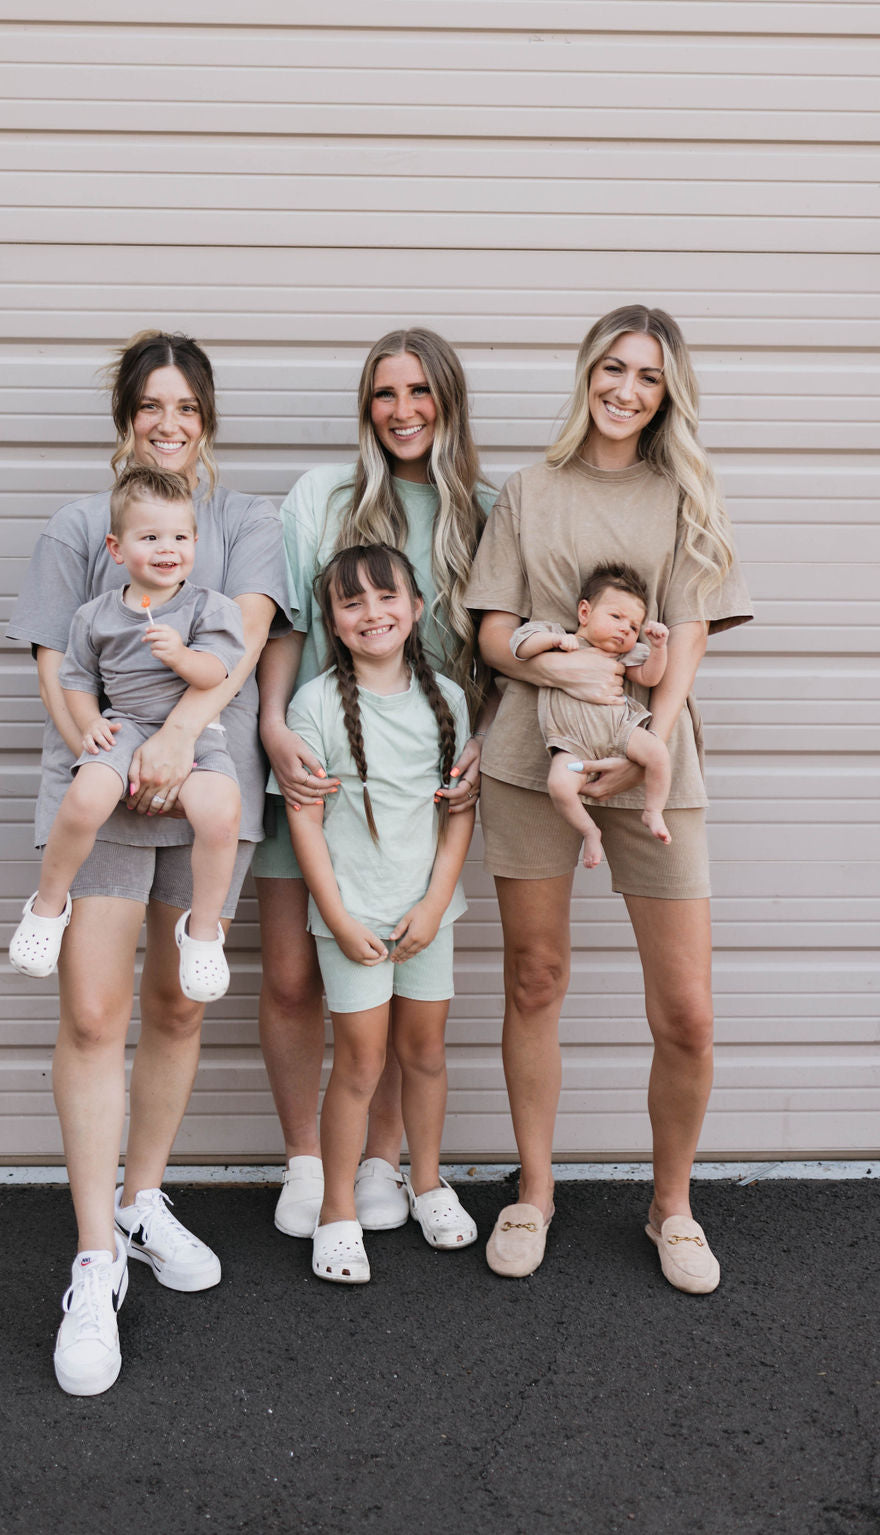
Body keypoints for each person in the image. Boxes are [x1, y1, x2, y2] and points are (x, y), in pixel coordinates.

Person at [6, 331, 289, 1395]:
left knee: (178, 1006)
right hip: (106, 783)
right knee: (90, 1014)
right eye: (148, 407)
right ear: (124, 417)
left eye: (185, 407)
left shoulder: (246, 521)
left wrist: (179, 740)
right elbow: (55, 659)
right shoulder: (85, 526)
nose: (167, 423)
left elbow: (248, 638)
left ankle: (142, 1197)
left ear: (206, 417)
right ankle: (93, 1259)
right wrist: (111, 749)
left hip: (204, 777)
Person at [465, 305, 752, 1293]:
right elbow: (492, 633)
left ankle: (671, 1203)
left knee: (687, 1014)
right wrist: (557, 663)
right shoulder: (529, 491)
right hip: (531, 757)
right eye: (613, 368)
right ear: (587, 371)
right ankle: (534, 1190)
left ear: (667, 392)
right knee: (534, 979)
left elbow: (690, 635)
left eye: (647, 376)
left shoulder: (684, 497)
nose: (626, 390)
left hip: (653, 763)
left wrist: (649, 744)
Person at [254, 328, 497, 1242]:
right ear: (367, 405)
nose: (403, 411)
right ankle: (306, 1162)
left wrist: (488, 737)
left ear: (449, 400)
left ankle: (384, 1159)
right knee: (288, 977)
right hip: (317, 772)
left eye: (420, 392)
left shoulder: (482, 507)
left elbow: (501, 646)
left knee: (399, 972)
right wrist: (275, 726)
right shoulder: (323, 497)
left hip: (421, 790)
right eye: (385, 393)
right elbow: (281, 626)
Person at [282, 544, 477, 1283]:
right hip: (353, 918)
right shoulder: (317, 704)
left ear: (418, 606)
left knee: (424, 1053)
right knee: (360, 1062)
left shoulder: (449, 701)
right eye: (351, 602)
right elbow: (305, 822)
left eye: (386, 597)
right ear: (332, 621)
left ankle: (424, 1183)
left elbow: (460, 813)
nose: (372, 613)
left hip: (426, 916)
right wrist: (335, 916)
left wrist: (433, 904)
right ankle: (337, 1210)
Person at [9, 465, 247, 999]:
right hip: (125, 727)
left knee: (222, 810)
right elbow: (75, 679)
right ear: (117, 549)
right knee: (86, 798)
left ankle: (202, 932)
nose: (168, 548)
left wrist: (182, 656)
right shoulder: (96, 616)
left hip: (194, 735)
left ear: (196, 543)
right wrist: (91, 720)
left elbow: (218, 673)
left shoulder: (209, 607)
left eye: (180, 537)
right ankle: (48, 906)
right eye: (151, 537)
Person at [511, 562, 671, 869]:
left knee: (658, 753)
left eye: (634, 626)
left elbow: (650, 677)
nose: (626, 628)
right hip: (571, 743)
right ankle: (589, 831)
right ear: (584, 612)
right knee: (559, 784)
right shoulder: (557, 639)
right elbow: (519, 647)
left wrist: (659, 648)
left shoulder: (624, 654)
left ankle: (653, 810)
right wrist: (554, 642)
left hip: (620, 731)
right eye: (616, 617)